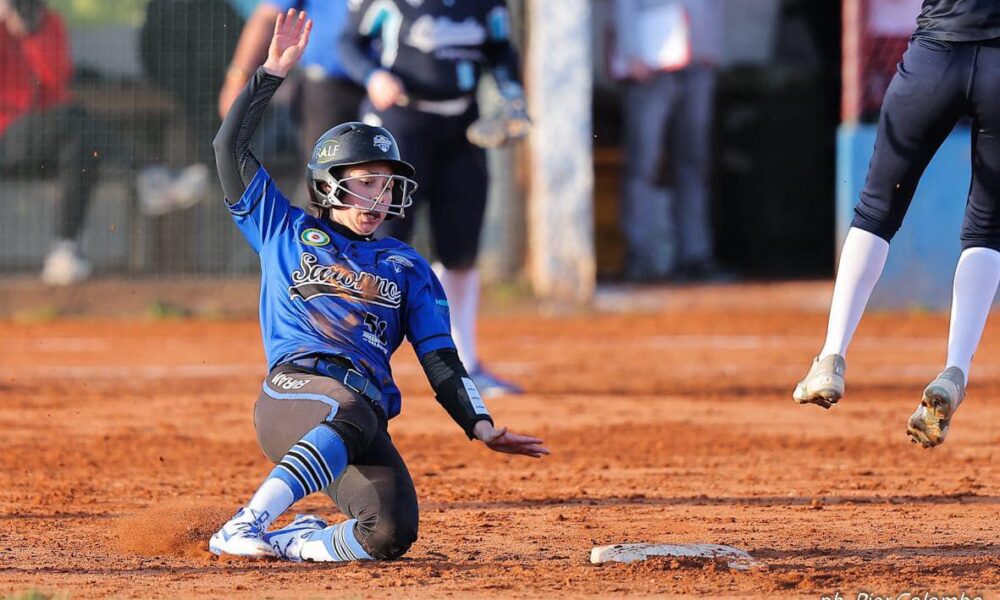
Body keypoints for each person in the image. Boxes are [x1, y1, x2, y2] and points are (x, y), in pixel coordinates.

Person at [209, 9, 548, 562]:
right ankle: (245, 523)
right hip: (295, 394)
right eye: (366, 183)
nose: (380, 198)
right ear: (328, 185)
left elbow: (441, 359)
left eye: (387, 187)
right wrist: (271, 73)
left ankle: (294, 542)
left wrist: (479, 425)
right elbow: (229, 149)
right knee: (354, 405)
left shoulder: (405, 265)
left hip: (359, 414)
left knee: (390, 531)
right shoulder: (282, 227)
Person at [793, 0, 1000, 448]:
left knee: (875, 212)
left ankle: (831, 357)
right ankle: (955, 370)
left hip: (936, 55)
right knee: (987, 230)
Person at [338, 0, 531, 396]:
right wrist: (373, 75)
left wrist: (512, 93)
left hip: (461, 127)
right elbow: (348, 43)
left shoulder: (487, 4)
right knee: (378, 245)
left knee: (461, 249)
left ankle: (465, 366)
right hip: (399, 126)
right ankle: (355, 363)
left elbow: (500, 50)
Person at [611, 0, 723, 282]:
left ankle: (695, 254)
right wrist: (631, 53)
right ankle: (641, 255)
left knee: (693, 164)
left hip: (697, 63)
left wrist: (712, 47)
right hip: (650, 65)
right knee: (642, 164)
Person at [0, 0, 103, 285]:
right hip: (5, 136)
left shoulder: (48, 21)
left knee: (81, 142)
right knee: (77, 120)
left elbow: (56, 78)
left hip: (39, 139)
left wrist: (29, 33)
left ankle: (65, 248)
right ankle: (143, 171)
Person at [218, 0, 365, 165]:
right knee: (328, 168)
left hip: (385, 87)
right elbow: (266, 16)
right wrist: (237, 80)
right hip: (328, 89)